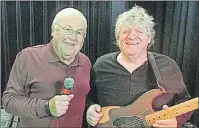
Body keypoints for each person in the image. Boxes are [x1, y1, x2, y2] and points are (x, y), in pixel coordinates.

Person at [85, 5, 193, 128]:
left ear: (149, 38)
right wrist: (90, 109)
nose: (131, 36)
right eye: (125, 31)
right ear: (117, 37)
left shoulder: (167, 66)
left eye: (139, 31)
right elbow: (89, 98)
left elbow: (185, 101)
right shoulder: (101, 65)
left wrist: (176, 121)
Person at [2, 8, 91, 127]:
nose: (73, 37)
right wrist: (46, 107)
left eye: (79, 32)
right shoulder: (28, 57)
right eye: (68, 29)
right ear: (54, 30)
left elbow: (86, 97)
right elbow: (9, 101)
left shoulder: (85, 62)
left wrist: (91, 108)